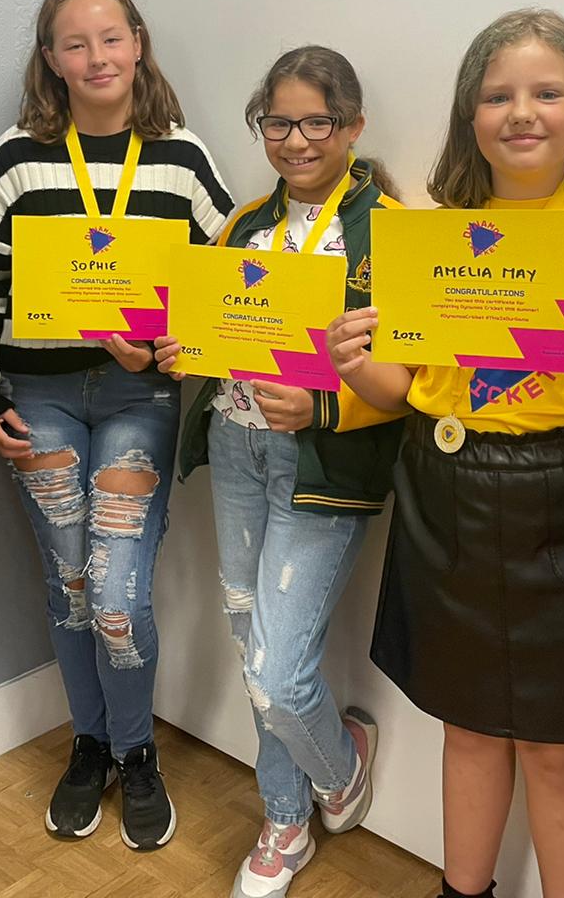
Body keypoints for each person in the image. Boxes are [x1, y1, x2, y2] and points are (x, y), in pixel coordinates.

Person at [328, 10, 564, 898]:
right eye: (498, 96)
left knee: (560, 750)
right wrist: (354, 361)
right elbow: (402, 387)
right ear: (470, 115)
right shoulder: (431, 236)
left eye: (547, 93)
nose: (522, 113)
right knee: (470, 729)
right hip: (446, 488)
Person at [0, 0, 233, 850]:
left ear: (138, 44)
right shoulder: (17, 156)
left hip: (136, 396)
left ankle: (136, 750)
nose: (97, 57)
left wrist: (168, 347)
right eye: (75, 43)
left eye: (111, 38)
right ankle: (90, 746)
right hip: (37, 396)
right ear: (51, 59)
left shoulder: (181, 156)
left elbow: (229, 279)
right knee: (72, 585)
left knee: (116, 591)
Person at [162, 46, 401, 897]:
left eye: (316, 122)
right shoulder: (243, 225)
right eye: (278, 123)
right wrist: (180, 347)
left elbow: (413, 380)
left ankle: (340, 769)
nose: (295, 140)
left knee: (275, 672)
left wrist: (322, 408)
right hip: (237, 447)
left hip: (322, 462)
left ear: (353, 126)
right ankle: (285, 817)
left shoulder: (390, 232)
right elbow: (217, 333)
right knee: (249, 643)